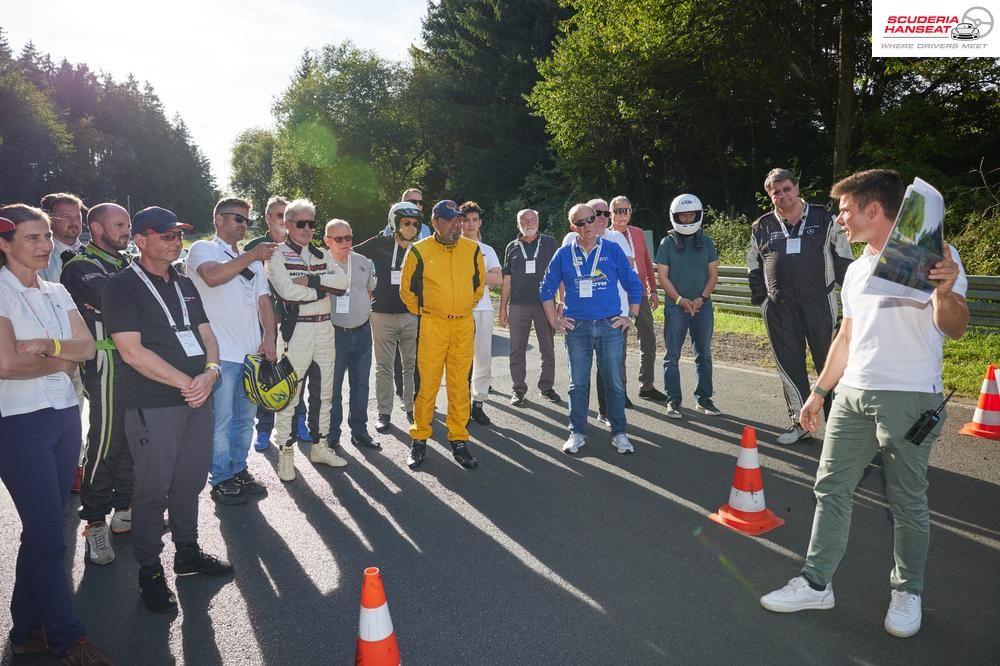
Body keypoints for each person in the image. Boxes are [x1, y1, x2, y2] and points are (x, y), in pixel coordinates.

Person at [760, 169, 969, 639]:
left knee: (906, 502)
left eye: (846, 209)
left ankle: (907, 590)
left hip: (910, 396)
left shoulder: (936, 255)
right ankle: (816, 584)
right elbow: (847, 337)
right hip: (852, 395)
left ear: (874, 209)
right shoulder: (855, 269)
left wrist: (943, 290)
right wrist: (819, 392)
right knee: (830, 488)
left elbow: (955, 327)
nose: (839, 218)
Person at [103, 206, 233, 613]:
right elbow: (131, 351)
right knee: (151, 492)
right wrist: (187, 383)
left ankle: (188, 552)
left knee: (189, 484)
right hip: (155, 405)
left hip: (197, 399)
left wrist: (210, 373)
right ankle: (149, 569)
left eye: (178, 235)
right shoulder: (121, 285)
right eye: (166, 235)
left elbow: (207, 335)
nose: (176, 241)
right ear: (140, 240)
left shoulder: (184, 283)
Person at [0, 205, 111, 663]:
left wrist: (49, 349)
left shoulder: (56, 289)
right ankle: (68, 638)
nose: (45, 244)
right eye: (32, 238)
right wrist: (64, 360)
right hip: (18, 424)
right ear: (4, 244)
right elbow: (6, 364)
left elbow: (88, 346)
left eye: (47, 236)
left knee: (42, 531)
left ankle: (26, 627)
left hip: (65, 417)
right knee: (49, 536)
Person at [748, 168, 854, 445]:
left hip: (820, 302)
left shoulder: (824, 217)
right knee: (789, 366)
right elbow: (753, 266)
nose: (782, 196)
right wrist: (762, 302)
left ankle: (840, 428)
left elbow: (844, 258)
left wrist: (852, 301)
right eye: (776, 192)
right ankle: (800, 422)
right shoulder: (761, 226)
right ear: (770, 196)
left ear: (797, 188)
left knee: (830, 364)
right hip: (780, 308)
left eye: (786, 189)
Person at [187, 197, 277, 506]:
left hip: (250, 354)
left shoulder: (252, 259)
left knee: (244, 419)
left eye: (246, 220)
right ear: (219, 220)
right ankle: (221, 478)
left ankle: (238, 469)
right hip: (219, 354)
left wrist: (270, 338)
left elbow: (264, 302)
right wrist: (253, 254)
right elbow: (212, 277)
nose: (243, 225)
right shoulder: (203, 249)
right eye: (237, 218)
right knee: (221, 421)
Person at [61, 203, 135, 565]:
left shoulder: (126, 263)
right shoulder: (79, 265)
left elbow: (145, 303)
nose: (127, 230)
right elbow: (120, 302)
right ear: (96, 227)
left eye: (129, 224)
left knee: (132, 438)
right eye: (120, 224)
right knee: (105, 439)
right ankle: (94, 521)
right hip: (105, 360)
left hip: (137, 360)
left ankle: (124, 507)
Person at [542, 203, 643, 455]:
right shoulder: (564, 254)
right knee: (578, 384)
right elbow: (545, 288)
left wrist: (631, 316)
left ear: (598, 219)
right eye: (581, 222)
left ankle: (620, 433)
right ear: (572, 227)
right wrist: (554, 321)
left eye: (591, 219)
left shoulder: (612, 249)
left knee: (615, 383)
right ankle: (577, 432)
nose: (588, 225)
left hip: (610, 326)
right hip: (577, 328)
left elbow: (634, 284)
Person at [266, 199, 349, 481]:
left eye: (310, 223)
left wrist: (312, 281)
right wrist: (322, 288)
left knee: (326, 392)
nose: (305, 228)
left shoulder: (323, 254)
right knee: (289, 393)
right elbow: (287, 291)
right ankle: (285, 453)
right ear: (286, 225)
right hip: (296, 330)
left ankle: (320, 446)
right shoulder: (277, 255)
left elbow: (343, 284)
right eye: (300, 223)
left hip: (325, 328)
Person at [400, 200, 485, 470]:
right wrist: (430, 312)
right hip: (432, 326)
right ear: (435, 222)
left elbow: (478, 287)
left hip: (462, 325)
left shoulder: (472, 249)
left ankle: (459, 439)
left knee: (460, 385)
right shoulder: (419, 251)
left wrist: (459, 309)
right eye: (450, 220)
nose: (456, 225)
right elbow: (407, 292)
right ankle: (420, 438)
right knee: (427, 385)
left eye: (459, 220)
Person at [562, 198, 636, 424]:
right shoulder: (570, 240)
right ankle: (579, 426)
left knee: (612, 369)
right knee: (580, 377)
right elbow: (561, 273)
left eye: (605, 213)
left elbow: (630, 268)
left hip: (615, 314)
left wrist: (631, 315)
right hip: (580, 316)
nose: (601, 217)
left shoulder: (615, 239)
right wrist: (561, 304)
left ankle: (610, 414)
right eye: (597, 213)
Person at [355, 202, 421, 433]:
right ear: (395, 223)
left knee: (411, 366)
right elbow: (350, 255)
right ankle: (384, 413)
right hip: (381, 315)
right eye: (406, 223)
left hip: (411, 316)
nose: (411, 227)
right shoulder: (378, 243)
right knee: (383, 367)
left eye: (415, 223)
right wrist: (363, 285)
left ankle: (413, 408)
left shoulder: (421, 248)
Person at [654, 194, 720, 419]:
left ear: (698, 214)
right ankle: (673, 400)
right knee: (671, 355)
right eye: (683, 215)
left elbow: (713, 275)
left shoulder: (707, 241)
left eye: (691, 214)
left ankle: (704, 399)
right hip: (676, 307)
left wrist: (702, 297)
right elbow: (662, 277)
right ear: (676, 217)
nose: (688, 218)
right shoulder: (667, 242)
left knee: (704, 354)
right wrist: (679, 299)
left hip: (703, 305)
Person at [321, 219, 379, 450]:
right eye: (339, 238)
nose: (345, 243)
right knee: (332, 387)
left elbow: (369, 289)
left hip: (363, 332)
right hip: (334, 334)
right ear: (327, 241)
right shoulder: (320, 262)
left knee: (361, 385)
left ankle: (360, 431)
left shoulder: (362, 261)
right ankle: (333, 433)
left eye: (349, 237)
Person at [498, 208, 560, 407]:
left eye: (532, 218)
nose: (528, 222)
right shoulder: (512, 247)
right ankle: (518, 389)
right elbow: (506, 280)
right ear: (518, 225)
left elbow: (560, 274)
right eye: (523, 220)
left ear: (538, 220)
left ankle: (547, 387)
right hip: (518, 304)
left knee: (547, 348)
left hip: (546, 304)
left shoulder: (550, 243)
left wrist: (562, 301)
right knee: (516, 349)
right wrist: (502, 308)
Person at [244, 196, 291, 451]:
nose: (283, 220)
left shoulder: (300, 244)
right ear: (267, 218)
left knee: (294, 373)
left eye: (286, 214)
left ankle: (298, 423)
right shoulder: (254, 247)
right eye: (277, 215)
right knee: (266, 375)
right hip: (263, 323)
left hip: (296, 321)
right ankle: (263, 430)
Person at [610, 195, 666, 401]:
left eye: (625, 210)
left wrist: (652, 290)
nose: (621, 215)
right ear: (610, 214)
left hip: (640, 294)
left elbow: (646, 262)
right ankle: (620, 391)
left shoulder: (638, 233)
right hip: (618, 298)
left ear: (631, 212)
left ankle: (647, 385)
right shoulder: (606, 236)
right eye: (617, 211)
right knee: (619, 346)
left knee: (649, 341)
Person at [460, 201, 502, 426]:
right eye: (466, 220)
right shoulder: (453, 247)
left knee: (483, 359)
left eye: (475, 220)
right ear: (460, 222)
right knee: (460, 360)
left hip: (483, 309)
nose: (470, 224)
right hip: (459, 311)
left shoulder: (488, 250)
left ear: (480, 222)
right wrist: (483, 275)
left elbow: (497, 279)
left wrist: (470, 276)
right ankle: (461, 405)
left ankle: (478, 403)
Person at [39, 192, 86, 282]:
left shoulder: (93, 256)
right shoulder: (38, 258)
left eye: (78, 217)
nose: (74, 222)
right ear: (50, 219)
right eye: (66, 217)